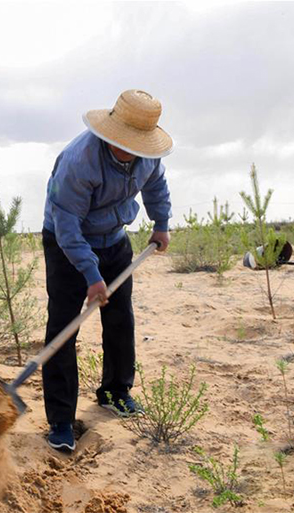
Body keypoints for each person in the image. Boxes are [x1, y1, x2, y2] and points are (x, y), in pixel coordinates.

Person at [41, 89, 173, 452]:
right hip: (67, 242)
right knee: (64, 328)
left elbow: (156, 186)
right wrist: (92, 276)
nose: (134, 149)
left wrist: (161, 222)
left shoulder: (147, 157)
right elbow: (67, 227)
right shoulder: (78, 161)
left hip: (113, 239)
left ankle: (116, 392)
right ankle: (61, 419)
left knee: (120, 319)